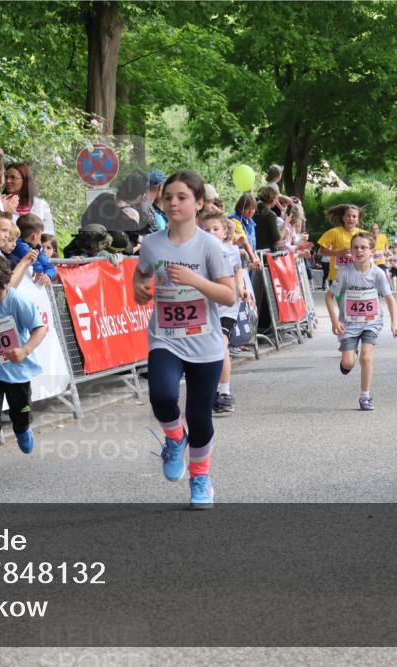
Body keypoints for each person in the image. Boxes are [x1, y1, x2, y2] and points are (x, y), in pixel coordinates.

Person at [132, 171, 236, 510]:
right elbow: (141, 278)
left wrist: (195, 280)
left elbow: (228, 296)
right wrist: (140, 290)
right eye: (169, 197)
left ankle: (201, 477)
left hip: (204, 343)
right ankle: (175, 439)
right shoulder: (152, 244)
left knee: (200, 416)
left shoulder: (210, 245)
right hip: (166, 337)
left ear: (199, 203)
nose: (174, 202)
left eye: (182, 197)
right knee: (162, 396)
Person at [0, 254, 48, 491]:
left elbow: (40, 329)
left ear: (6, 285)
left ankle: (22, 427)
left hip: (17, 370)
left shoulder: (16, 301)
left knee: (20, 412)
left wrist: (24, 350)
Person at [324, 231, 397, 411]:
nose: (359, 251)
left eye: (364, 247)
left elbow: (389, 298)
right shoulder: (344, 274)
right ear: (350, 250)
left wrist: (394, 323)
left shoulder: (378, 274)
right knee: (348, 363)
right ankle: (349, 358)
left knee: (366, 357)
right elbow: (329, 297)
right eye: (355, 247)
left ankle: (364, 396)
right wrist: (335, 321)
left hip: (371, 321)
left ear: (372, 251)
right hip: (349, 324)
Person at [197, 208, 251, 414]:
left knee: (221, 346)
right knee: (205, 351)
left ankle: (224, 392)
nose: (210, 232)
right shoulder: (195, 252)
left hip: (226, 307)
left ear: (224, 232)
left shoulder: (232, 251)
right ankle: (208, 392)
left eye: (215, 228)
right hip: (203, 307)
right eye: (205, 229)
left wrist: (240, 287)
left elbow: (238, 269)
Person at [317, 203, 362, 284]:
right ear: (343, 218)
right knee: (336, 297)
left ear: (358, 220)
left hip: (358, 276)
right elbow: (320, 251)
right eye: (348, 216)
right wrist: (339, 253)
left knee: (354, 297)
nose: (351, 218)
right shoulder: (334, 232)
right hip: (337, 277)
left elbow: (371, 253)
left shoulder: (363, 234)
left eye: (354, 216)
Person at [5, 162, 54, 234]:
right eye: (6, 177)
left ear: (25, 180)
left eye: (13, 177)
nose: (8, 181)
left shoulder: (41, 205)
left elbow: (49, 234)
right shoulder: (2, 203)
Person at [11, 213, 57, 284]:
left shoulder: (37, 248)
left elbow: (49, 266)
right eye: (40, 235)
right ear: (34, 236)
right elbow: (32, 260)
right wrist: (40, 270)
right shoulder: (19, 245)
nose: (40, 238)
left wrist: (48, 275)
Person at [228, 193, 260, 267]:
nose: (251, 212)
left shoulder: (250, 221)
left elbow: (252, 243)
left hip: (248, 259)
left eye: (253, 208)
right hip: (239, 260)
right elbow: (244, 240)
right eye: (247, 208)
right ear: (240, 208)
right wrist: (253, 258)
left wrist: (256, 257)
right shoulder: (235, 220)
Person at [254, 185, 284, 252]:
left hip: (254, 250)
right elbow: (277, 239)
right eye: (276, 199)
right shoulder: (271, 215)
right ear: (272, 199)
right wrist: (285, 224)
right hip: (267, 252)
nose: (276, 201)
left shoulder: (253, 210)